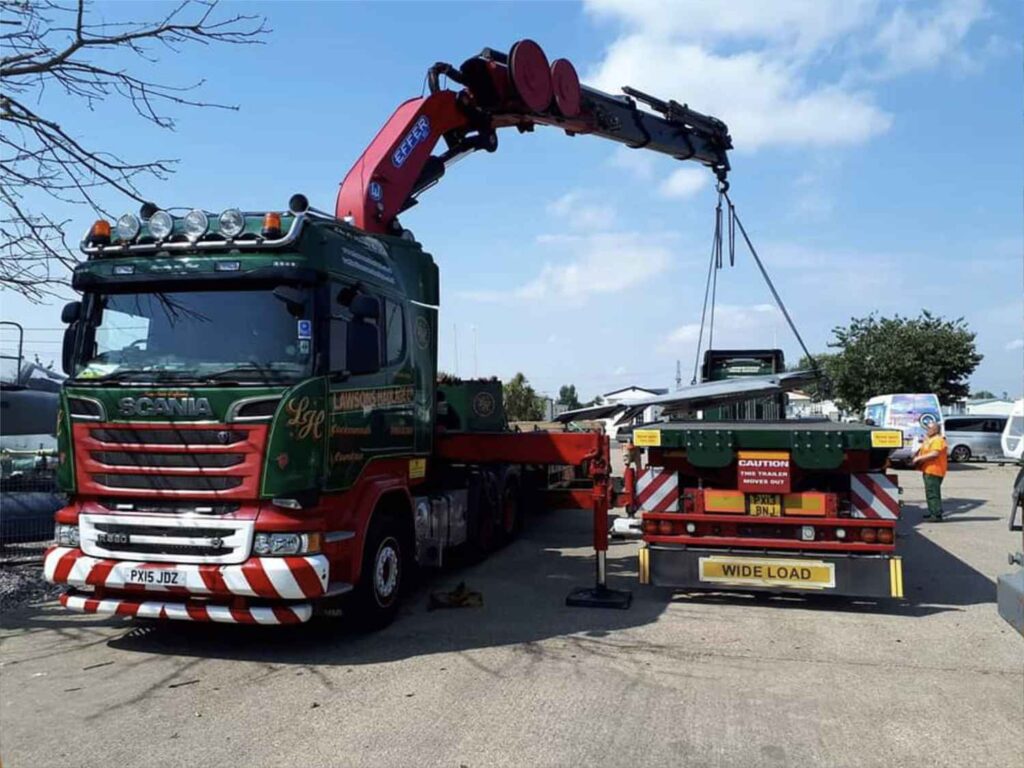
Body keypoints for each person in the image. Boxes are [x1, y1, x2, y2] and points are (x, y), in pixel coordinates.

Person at [911, 421, 948, 521]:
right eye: (927, 428)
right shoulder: (930, 439)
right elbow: (923, 450)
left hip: (935, 470)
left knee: (933, 492)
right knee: (930, 491)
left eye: (929, 429)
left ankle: (936, 515)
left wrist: (919, 459)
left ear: (935, 430)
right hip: (928, 470)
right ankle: (933, 511)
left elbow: (934, 454)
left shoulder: (938, 440)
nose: (927, 430)